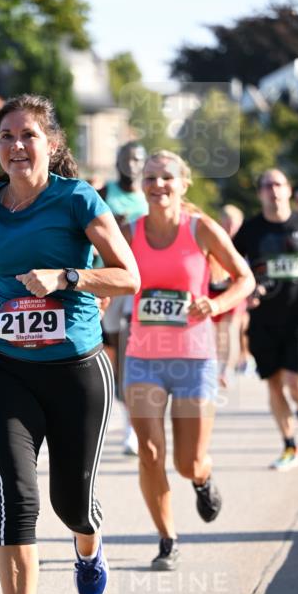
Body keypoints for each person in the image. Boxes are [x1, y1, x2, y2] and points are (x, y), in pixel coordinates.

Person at [0, 94, 140, 594]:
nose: (16, 146)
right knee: (16, 497)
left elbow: (129, 275)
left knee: (71, 502)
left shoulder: (77, 199)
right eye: (6, 136)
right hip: (9, 368)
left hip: (75, 370)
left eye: (27, 135)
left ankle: (88, 547)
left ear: (51, 144)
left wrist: (68, 276)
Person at [122, 151, 255, 571]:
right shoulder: (128, 231)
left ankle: (201, 477)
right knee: (147, 450)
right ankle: (167, 538)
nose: (157, 185)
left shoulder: (201, 230)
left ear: (183, 184)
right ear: (141, 184)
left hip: (194, 360)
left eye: (165, 178)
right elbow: (103, 274)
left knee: (186, 461)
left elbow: (244, 279)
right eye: (150, 178)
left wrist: (214, 307)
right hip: (143, 357)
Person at [233, 168, 298, 470]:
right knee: (275, 384)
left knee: (296, 383)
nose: (273, 190)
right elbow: (231, 265)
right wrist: (245, 290)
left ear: (288, 189)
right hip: (263, 319)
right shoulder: (251, 230)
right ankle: (290, 446)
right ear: (260, 193)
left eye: (278, 184)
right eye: (266, 185)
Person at [98, 142, 149, 456]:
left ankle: (132, 429)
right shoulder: (103, 194)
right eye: (127, 157)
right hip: (103, 281)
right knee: (107, 353)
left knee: (130, 354)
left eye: (138, 158)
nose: (132, 163)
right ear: (117, 160)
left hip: (135, 285)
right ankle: (113, 413)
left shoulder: (149, 196)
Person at [209, 204, 246, 386]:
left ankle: (226, 370)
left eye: (234, 224)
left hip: (235, 290)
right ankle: (216, 367)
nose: (231, 228)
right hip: (214, 290)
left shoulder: (244, 241)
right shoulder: (213, 239)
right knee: (217, 333)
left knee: (231, 329)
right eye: (227, 223)